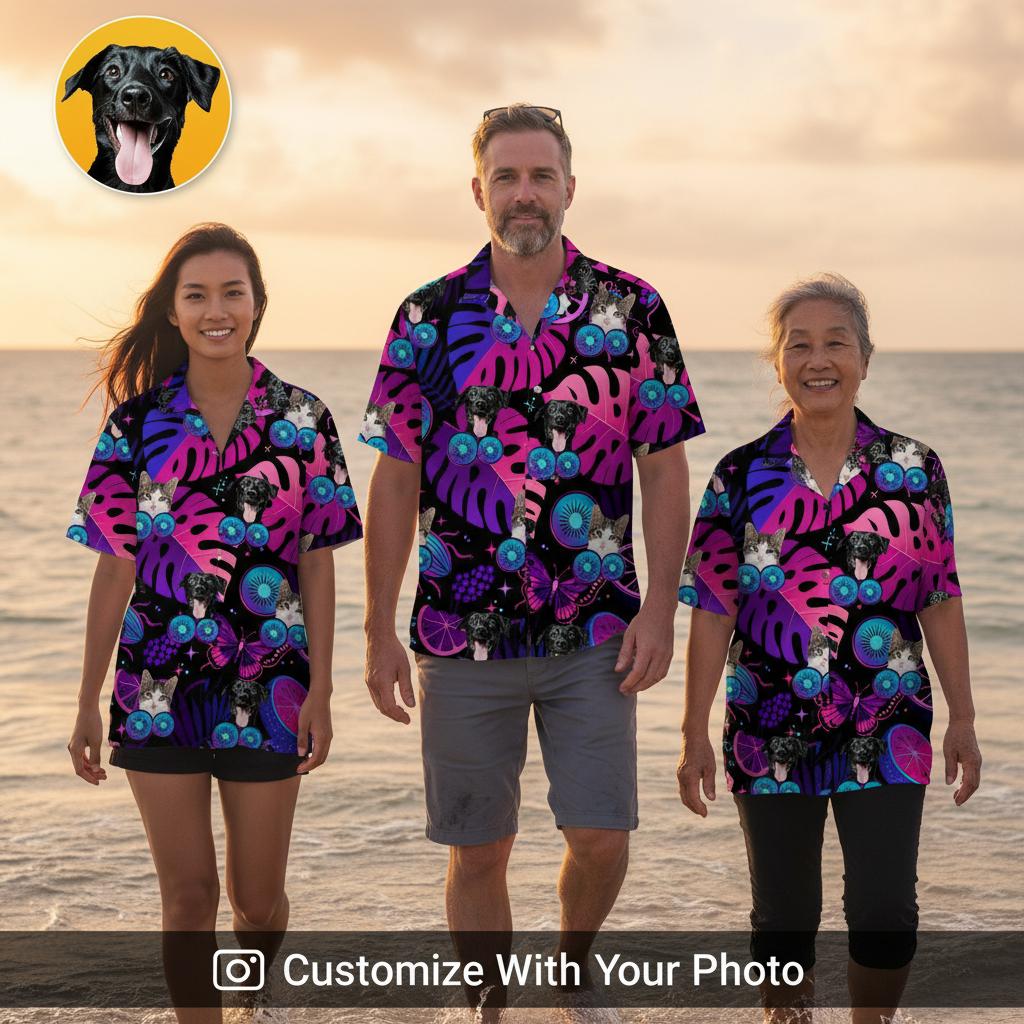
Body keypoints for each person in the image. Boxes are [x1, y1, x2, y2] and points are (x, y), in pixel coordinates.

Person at [358, 104, 706, 1007]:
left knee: (602, 837)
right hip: (457, 633)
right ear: (479, 192)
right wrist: (376, 629)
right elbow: (394, 482)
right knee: (479, 848)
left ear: (569, 189)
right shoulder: (428, 318)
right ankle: (487, 1003)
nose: (524, 195)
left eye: (541, 177)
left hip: (597, 630)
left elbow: (666, 470)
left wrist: (662, 609)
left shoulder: (632, 309)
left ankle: (570, 964)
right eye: (506, 178)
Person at [66, 222, 362, 1023]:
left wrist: (326, 690)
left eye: (233, 292)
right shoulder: (135, 427)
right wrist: (89, 697)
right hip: (157, 686)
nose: (216, 309)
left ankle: (252, 1002)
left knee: (257, 904)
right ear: (172, 310)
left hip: (273, 688)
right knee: (189, 897)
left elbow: (320, 559)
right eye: (196, 295)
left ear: (258, 306)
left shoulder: (303, 420)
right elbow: (115, 565)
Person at [675, 273, 982, 1023]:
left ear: (866, 358)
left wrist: (965, 718)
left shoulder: (914, 471)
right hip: (766, 725)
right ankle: (791, 1016)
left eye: (836, 342)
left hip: (890, 724)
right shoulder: (738, 477)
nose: (819, 360)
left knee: (885, 913)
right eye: (799, 344)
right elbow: (714, 610)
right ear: (777, 363)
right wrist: (691, 732)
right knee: (782, 916)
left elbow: (938, 596)